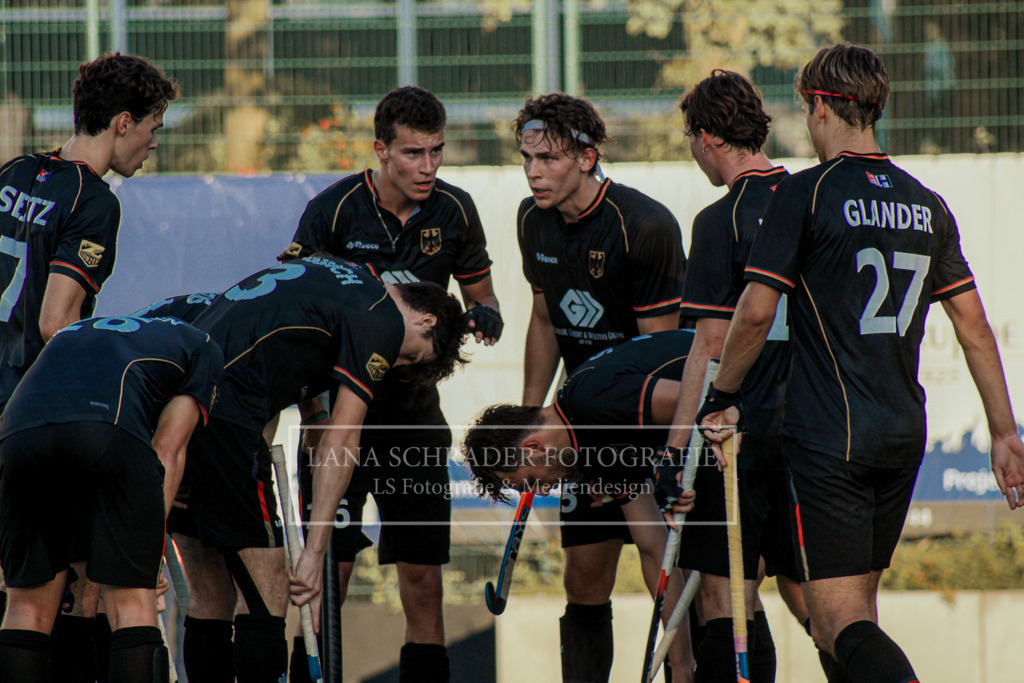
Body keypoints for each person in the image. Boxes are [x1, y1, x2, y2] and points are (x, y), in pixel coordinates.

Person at [694, 44, 1024, 683]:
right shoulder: (926, 203)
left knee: (838, 622)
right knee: (859, 613)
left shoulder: (807, 193)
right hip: (903, 431)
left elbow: (755, 315)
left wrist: (721, 393)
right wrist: (1006, 434)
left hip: (830, 439)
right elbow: (975, 328)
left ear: (820, 108)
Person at [278, 85, 501, 683]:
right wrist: (313, 412)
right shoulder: (333, 210)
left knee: (423, 580)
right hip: (336, 419)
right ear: (380, 150)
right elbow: (290, 308)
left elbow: (482, 294)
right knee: (329, 578)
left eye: (437, 151)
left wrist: (485, 315)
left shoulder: (454, 209)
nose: (428, 167)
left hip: (413, 420)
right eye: (412, 154)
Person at [171, 256, 467, 683]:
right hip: (225, 412)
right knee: (269, 585)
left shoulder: (343, 272)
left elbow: (283, 334)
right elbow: (342, 440)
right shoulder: (382, 319)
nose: (397, 366)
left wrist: (310, 412)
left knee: (209, 594)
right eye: (411, 359)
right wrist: (314, 552)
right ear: (424, 321)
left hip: (184, 397)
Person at [0, 51, 178, 681]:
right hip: (29, 407)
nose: (152, 147)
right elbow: (55, 322)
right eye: (154, 130)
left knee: (16, 596)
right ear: (123, 122)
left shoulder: (14, 171)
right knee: (69, 591)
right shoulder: (96, 200)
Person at [514, 93, 685, 682]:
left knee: (664, 568)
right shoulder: (531, 218)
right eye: (527, 158)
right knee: (583, 577)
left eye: (549, 159)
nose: (535, 172)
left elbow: (662, 358)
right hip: (578, 423)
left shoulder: (643, 224)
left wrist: (659, 453)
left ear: (587, 158)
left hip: (640, 416)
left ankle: (682, 670)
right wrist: (530, 416)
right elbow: (544, 318)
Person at [658, 69, 804, 683]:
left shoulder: (722, 219)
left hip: (735, 436)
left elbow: (710, 347)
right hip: (815, 430)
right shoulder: (809, 197)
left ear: (706, 136)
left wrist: (674, 452)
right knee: (825, 608)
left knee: (727, 603)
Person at [465, 330, 702, 680]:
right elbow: (654, 547)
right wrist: (680, 664)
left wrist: (674, 458)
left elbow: (702, 399)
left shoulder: (589, 399)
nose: (540, 491)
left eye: (529, 482)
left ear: (531, 447)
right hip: (743, 412)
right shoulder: (591, 455)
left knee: (722, 587)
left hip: (770, 374)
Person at [0, 314, 222, 683]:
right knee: (132, 606)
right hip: (106, 428)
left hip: (17, 437)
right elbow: (167, 449)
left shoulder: (79, 333)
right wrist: (148, 546)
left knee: (27, 610)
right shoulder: (204, 345)